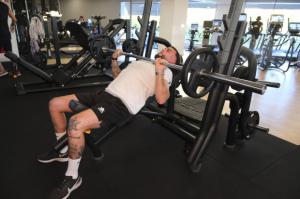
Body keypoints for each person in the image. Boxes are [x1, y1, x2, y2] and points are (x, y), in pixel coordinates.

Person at [38, 46, 181, 199]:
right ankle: (63, 150)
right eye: (166, 48)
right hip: (104, 94)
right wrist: (114, 60)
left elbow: (161, 99)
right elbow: (117, 75)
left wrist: (159, 70)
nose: (167, 49)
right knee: (55, 104)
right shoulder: (143, 61)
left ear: (175, 61)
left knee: (75, 123)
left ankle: (72, 177)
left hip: (121, 105)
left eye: (171, 51)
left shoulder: (167, 72)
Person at [0, 0, 17, 77]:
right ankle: (16, 70)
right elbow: (14, 19)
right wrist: (12, 25)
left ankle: (2, 70)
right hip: (6, 33)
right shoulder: (6, 6)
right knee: (10, 52)